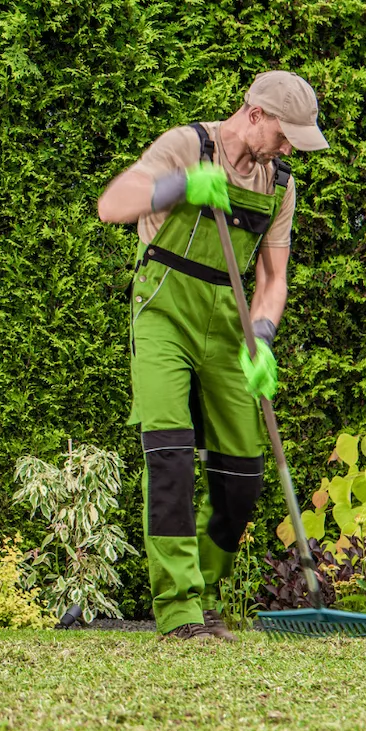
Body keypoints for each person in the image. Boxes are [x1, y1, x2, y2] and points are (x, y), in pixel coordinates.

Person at [94, 71, 330, 640]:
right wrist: (180, 188)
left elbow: (273, 277)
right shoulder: (186, 146)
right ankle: (178, 611)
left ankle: (204, 593)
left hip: (229, 320)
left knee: (242, 474)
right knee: (170, 454)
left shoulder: (279, 184)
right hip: (163, 305)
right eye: (285, 132)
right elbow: (111, 204)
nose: (289, 145)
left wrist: (264, 338)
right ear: (254, 114)